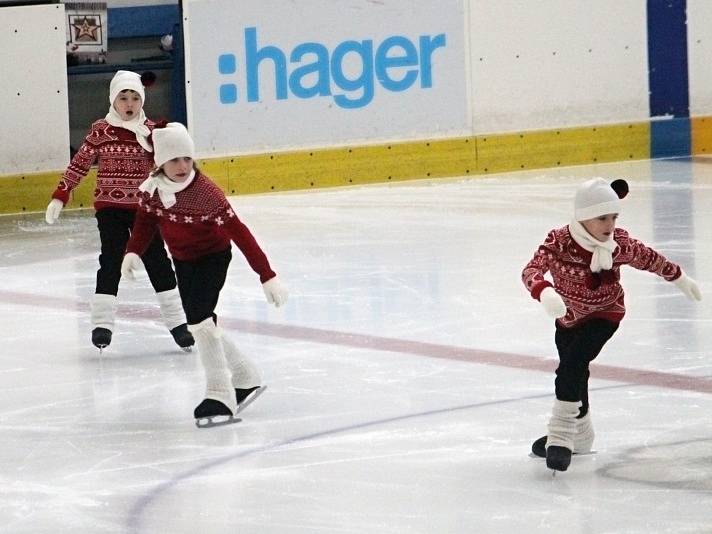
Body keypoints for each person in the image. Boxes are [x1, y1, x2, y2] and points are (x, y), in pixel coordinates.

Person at [521, 177, 702, 472]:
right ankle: (582, 436)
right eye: (602, 217)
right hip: (567, 317)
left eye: (614, 217)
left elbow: (649, 258)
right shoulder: (560, 242)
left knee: (571, 366)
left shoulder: (618, 244)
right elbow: (531, 269)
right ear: (582, 216)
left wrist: (680, 278)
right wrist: (544, 291)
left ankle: (561, 435)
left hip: (606, 314)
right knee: (575, 368)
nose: (610, 224)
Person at [120, 123, 288, 427]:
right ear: (159, 163)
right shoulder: (153, 190)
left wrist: (267, 274)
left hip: (212, 258)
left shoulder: (205, 192)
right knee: (203, 322)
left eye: (187, 158)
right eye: (174, 160)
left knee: (198, 321)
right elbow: (145, 221)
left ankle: (219, 393)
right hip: (183, 261)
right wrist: (133, 251)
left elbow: (240, 232)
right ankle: (246, 376)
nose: (183, 166)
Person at [45, 70, 193, 352]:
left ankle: (177, 323)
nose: (129, 103)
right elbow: (79, 164)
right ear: (113, 100)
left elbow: (169, 168)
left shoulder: (152, 132)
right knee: (111, 258)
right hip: (110, 208)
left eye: (135, 98)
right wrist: (61, 195)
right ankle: (102, 323)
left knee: (157, 261)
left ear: (142, 100)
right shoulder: (101, 130)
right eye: (123, 97)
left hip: (144, 210)